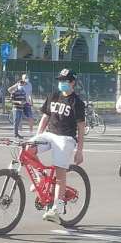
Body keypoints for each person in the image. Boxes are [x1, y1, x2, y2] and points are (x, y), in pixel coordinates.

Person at [28, 69, 85, 224]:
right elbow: (45, 118)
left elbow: (81, 127)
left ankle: (57, 209)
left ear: (72, 82)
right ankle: (40, 179)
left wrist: (79, 151)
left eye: (65, 81)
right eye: (60, 80)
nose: (61, 83)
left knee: (60, 173)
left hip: (66, 139)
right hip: (50, 135)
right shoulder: (53, 96)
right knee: (27, 150)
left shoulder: (77, 102)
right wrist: (36, 137)